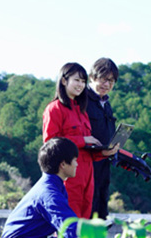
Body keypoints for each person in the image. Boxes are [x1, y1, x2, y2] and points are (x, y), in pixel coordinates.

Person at [42, 62, 118, 219]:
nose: (80, 85)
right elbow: (50, 143)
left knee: (86, 225)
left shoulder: (81, 111)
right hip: (68, 177)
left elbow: (87, 150)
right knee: (69, 224)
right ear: (64, 81)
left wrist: (103, 152)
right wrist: (82, 140)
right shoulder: (54, 108)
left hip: (88, 177)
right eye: (77, 80)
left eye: (83, 81)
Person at [0, 137, 80, 238]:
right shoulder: (48, 193)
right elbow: (70, 226)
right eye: (75, 160)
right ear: (63, 164)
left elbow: (63, 232)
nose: (77, 164)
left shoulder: (55, 187)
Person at [85, 58, 119, 219]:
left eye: (111, 81)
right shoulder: (82, 99)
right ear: (92, 77)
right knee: (87, 207)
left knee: (100, 206)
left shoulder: (106, 104)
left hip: (104, 163)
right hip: (86, 164)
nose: (107, 84)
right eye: (104, 79)